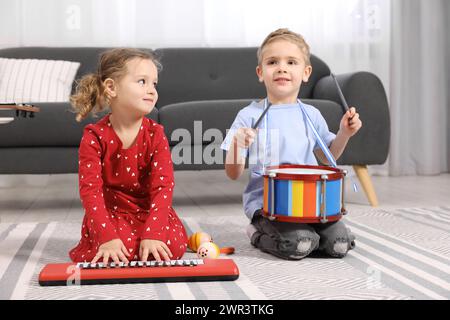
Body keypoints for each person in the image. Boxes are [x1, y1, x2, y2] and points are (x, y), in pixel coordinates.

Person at [221, 29, 362, 260]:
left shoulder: (311, 114)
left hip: (310, 203)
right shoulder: (248, 115)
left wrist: (344, 133)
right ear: (260, 72)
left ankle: (310, 234)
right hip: (268, 207)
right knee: (298, 244)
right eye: (273, 62)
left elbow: (328, 158)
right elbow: (232, 173)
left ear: (306, 72)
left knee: (340, 244)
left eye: (291, 62)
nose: (282, 68)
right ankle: (256, 232)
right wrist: (237, 144)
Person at [69, 48, 188, 264]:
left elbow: (163, 187)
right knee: (114, 249)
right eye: (142, 81)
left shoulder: (156, 134)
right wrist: (107, 237)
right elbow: (90, 192)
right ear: (111, 88)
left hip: (147, 212)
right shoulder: (94, 137)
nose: (152, 90)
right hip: (111, 215)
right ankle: (114, 241)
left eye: (154, 83)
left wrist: (154, 233)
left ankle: (146, 239)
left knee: (173, 244)